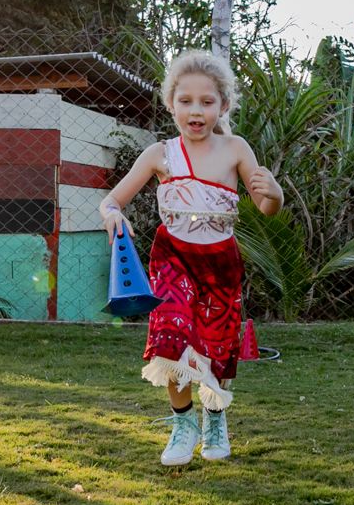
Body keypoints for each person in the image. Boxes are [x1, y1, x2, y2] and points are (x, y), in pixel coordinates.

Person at [99, 50, 284, 465]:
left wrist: (275, 193)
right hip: (172, 259)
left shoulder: (236, 149)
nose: (196, 111)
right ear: (171, 104)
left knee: (216, 347)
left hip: (220, 265)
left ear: (223, 106)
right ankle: (182, 425)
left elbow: (266, 207)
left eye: (207, 102)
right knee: (170, 341)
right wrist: (112, 215)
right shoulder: (159, 155)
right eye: (186, 101)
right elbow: (112, 201)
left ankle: (214, 419)